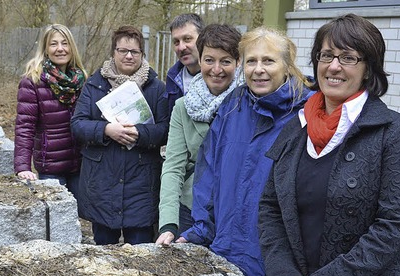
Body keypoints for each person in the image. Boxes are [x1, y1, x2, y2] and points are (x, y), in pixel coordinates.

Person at [258, 14, 400, 276]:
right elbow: (270, 207)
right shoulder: (296, 127)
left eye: (348, 57)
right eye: (326, 55)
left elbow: (393, 227)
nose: (334, 66)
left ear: (368, 69)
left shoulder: (393, 133)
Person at [176, 27, 314, 276]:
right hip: (225, 250)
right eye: (251, 61)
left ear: (287, 66)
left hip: (277, 268)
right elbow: (210, 175)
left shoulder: (308, 114)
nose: (258, 69)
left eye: (268, 61)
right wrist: (200, 230)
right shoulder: (234, 105)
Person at [71, 26, 169, 245]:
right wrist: (106, 130)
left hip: (141, 184)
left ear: (142, 55)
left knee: (141, 253)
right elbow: (77, 125)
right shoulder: (94, 84)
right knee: (104, 254)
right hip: (102, 183)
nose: (128, 56)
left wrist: (140, 133)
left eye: (134, 52)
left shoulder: (156, 88)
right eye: (122, 50)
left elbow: (166, 129)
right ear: (113, 52)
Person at [156, 24, 242, 246]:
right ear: (200, 59)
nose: (216, 69)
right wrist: (168, 224)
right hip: (191, 209)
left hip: (233, 213)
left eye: (225, 61)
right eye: (209, 60)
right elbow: (173, 166)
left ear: (237, 63)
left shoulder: (246, 104)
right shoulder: (183, 107)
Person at [14, 24, 88, 197]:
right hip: (51, 167)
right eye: (54, 44)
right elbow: (25, 127)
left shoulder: (81, 79)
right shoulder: (32, 81)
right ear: (46, 49)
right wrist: (22, 166)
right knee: (55, 221)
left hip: (80, 164)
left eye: (65, 43)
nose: (60, 49)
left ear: (72, 47)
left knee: (80, 218)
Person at [164, 13, 205, 113]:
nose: (181, 47)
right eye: (176, 42)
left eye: (187, 39)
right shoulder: (172, 77)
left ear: (203, 38)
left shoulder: (218, 77)